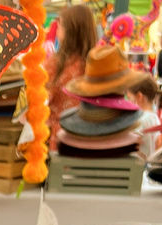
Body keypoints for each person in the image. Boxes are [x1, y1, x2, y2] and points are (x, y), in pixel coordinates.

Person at [44, 4, 98, 150]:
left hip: (60, 140)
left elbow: (40, 101)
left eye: (60, 24)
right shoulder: (97, 64)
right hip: (93, 139)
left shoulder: (56, 64)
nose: (57, 29)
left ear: (71, 30)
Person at [127, 74, 162, 159]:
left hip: (140, 164)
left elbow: (131, 146)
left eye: (129, 98)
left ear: (139, 96)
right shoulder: (154, 117)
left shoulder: (140, 119)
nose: (128, 102)